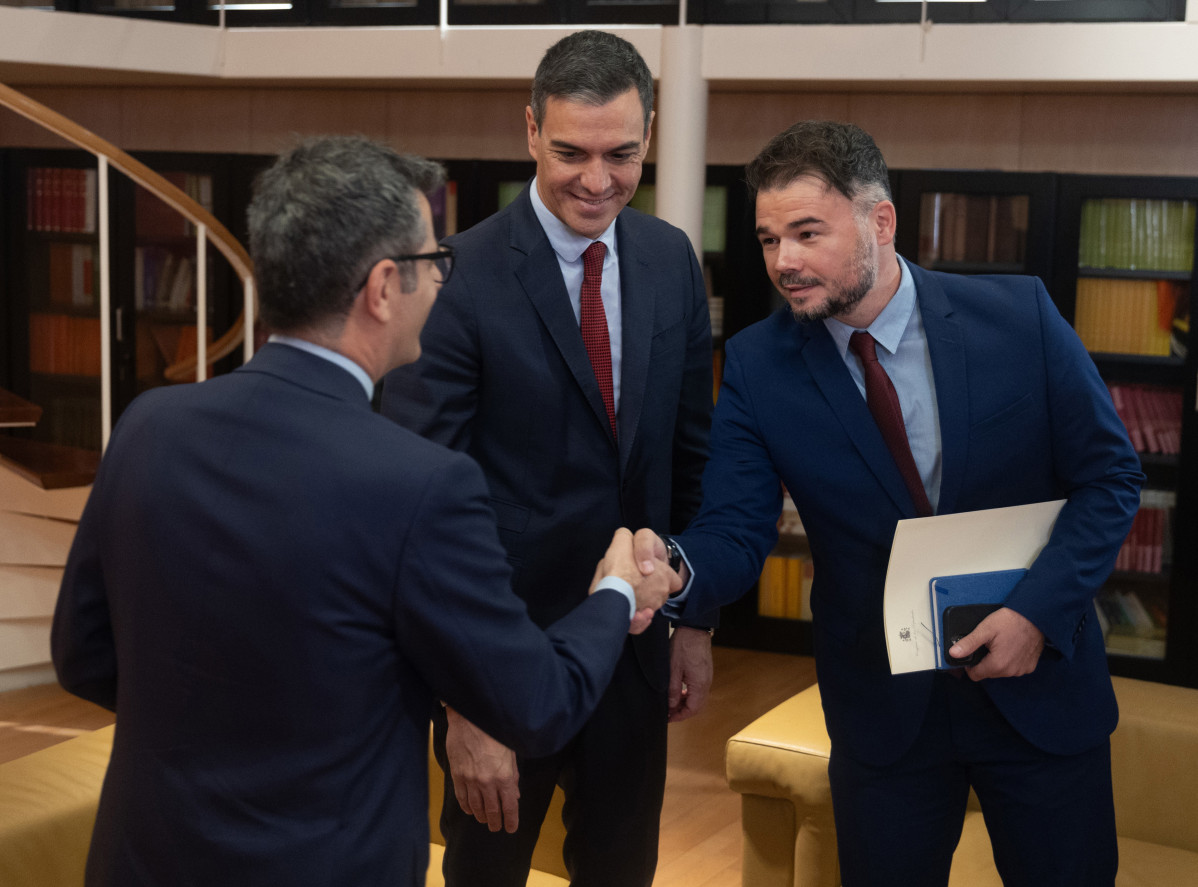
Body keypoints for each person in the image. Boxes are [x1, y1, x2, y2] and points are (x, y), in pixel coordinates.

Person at [50, 135, 680, 887]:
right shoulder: (420, 484)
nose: (442, 284)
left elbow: (83, 655)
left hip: (147, 858)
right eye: (430, 264)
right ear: (384, 287)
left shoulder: (148, 426)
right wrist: (616, 590)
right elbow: (539, 702)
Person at [660, 121, 1143, 886]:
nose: (784, 261)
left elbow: (1111, 478)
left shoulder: (1020, 319)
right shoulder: (757, 364)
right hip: (884, 716)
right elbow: (735, 524)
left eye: (807, 232)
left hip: (1039, 688)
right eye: (767, 238)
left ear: (880, 221)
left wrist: (1037, 614)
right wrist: (675, 570)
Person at [380, 29, 714, 887]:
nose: (598, 180)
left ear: (647, 137)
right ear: (529, 130)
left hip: (634, 654)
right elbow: (416, 509)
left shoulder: (670, 258)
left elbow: (691, 453)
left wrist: (694, 619)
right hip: (501, 664)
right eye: (570, 152)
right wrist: (465, 706)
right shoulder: (457, 276)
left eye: (622, 154)